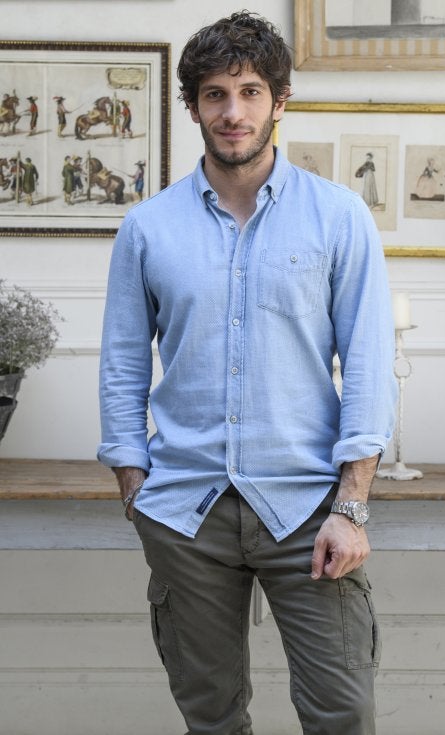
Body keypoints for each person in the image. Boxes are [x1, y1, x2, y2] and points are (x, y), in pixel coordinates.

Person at [98, 11, 397, 735]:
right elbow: (123, 362)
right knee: (211, 717)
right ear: (194, 106)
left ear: (280, 100)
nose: (233, 112)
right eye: (215, 94)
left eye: (251, 91)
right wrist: (134, 485)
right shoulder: (147, 228)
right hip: (185, 512)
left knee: (342, 711)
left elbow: (367, 362)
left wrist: (352, 505)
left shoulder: (338, 217)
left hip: (309, 512)